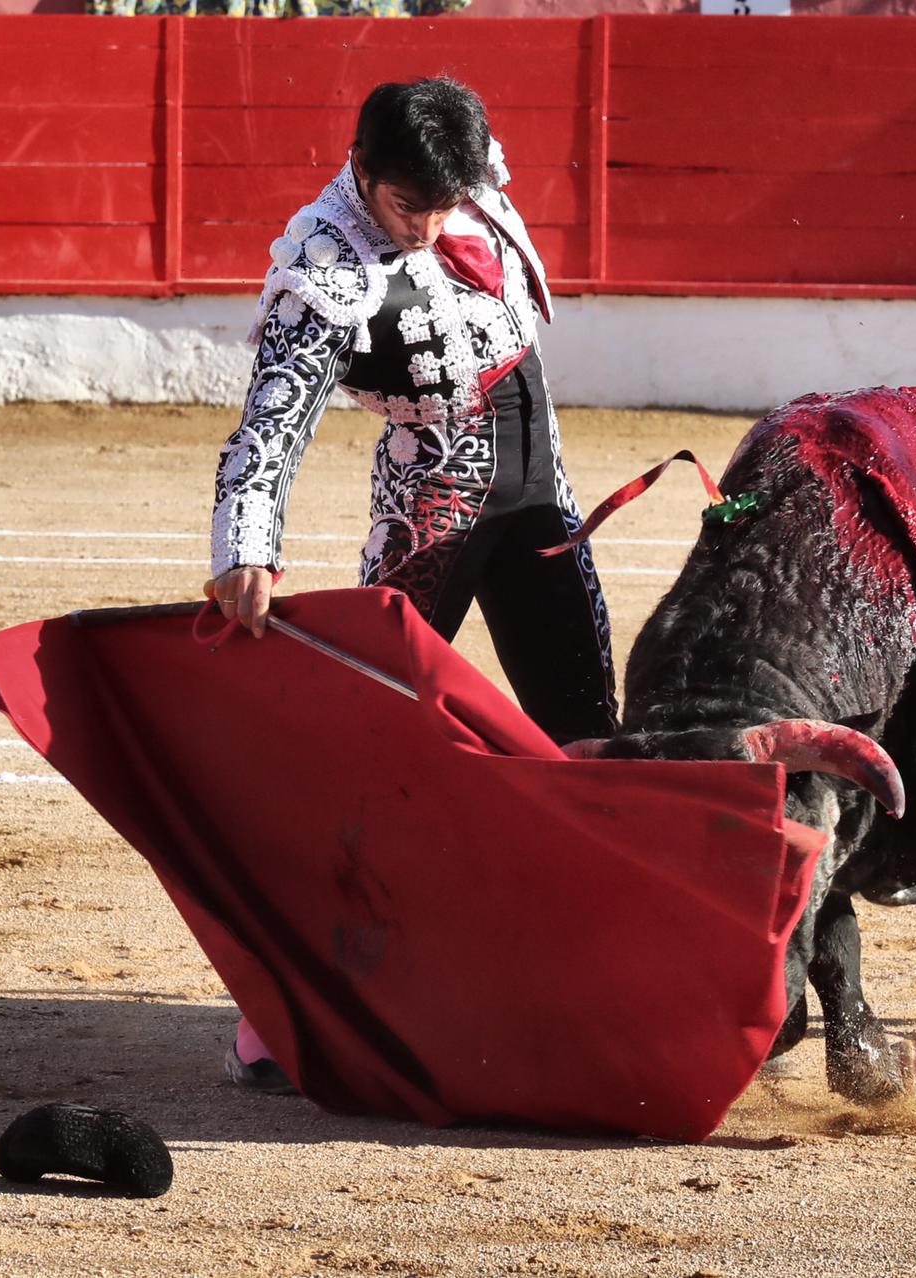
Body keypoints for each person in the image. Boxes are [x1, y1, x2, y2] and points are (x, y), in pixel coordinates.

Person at [205, 77, 617, 1092]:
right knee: (365, 766)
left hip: (542, 507)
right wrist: (245, 543)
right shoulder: (326, 264)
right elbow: (273, 421)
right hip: (429, 520)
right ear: (360, 169)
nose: (432, 225)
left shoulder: (464, 182)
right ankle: (284, 1005)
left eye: (446, 202)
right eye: (408, 207)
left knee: (590, 742)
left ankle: (598, 971)